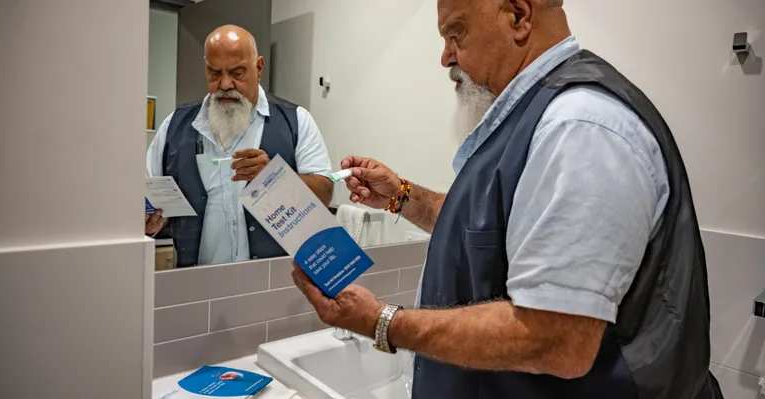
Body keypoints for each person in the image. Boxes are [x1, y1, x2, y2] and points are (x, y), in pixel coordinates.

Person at [291, 1, 724, 398]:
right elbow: (494, 231)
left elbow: (555, 338)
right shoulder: (537, 117)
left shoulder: (578, 127)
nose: (445, 57)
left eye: (455, 34)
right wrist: (402, 196)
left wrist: (381, 322)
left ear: (518, 16)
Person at [146, 25, 333, 268]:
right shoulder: (175, 125)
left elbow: (324, 194)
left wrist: (275, 178)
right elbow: (148, 195)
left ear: (259, 68)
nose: (225, 84)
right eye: (214, 73)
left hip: (273, 283)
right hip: (197, 286)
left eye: (237, 73)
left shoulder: (297, 121)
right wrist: (150, 220)